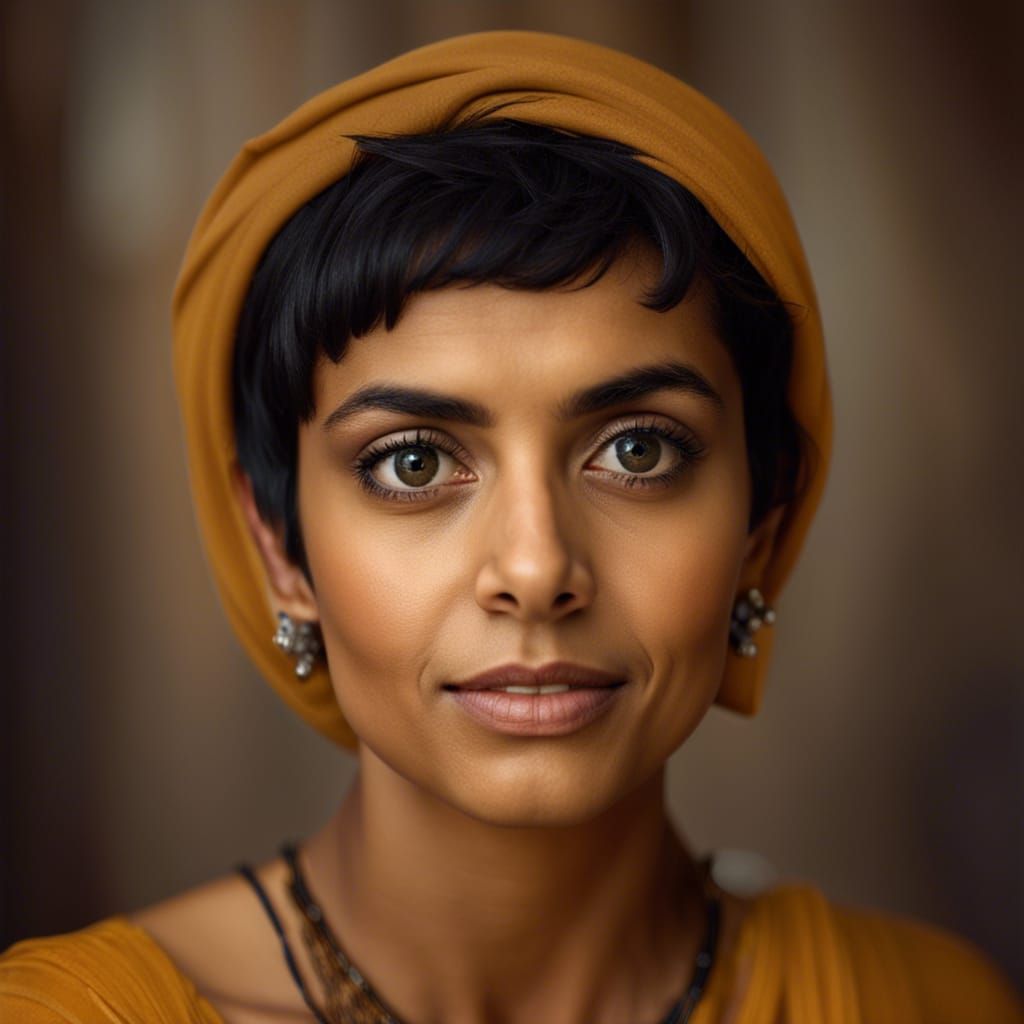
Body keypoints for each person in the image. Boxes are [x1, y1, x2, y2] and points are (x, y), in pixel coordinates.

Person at [1, 30, 1020, 1024]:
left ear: (763, 517)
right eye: (412, 463)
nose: (535, 569)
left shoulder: (926, 1006)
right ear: (279, 545)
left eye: (638, 451)